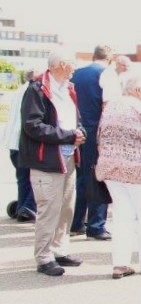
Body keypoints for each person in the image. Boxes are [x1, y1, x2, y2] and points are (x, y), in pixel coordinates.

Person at [95, 73, 141, 278]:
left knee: (121, 217)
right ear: (137, 90)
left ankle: (120, 264)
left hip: (112, 170)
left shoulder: (111, 106)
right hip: (140, 171)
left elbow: (100, 136)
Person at [20, 53, 86, 276]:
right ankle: (44, 257)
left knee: (66, 208)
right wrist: (68, 135)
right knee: (49, 209)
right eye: (72, 64)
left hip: (68, 157)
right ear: (61, 65)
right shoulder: (37, 89)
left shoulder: (68, 88)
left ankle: (59, 249)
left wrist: (80, 132)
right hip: (46, 160)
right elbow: (32, 125)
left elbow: (76, 119)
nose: (75, 68)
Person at [70, 44, 113, 240]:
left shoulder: (76, 74)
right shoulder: (107, 74)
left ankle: (76, 222)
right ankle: (96, 225)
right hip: (97, 132)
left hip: (77, 132)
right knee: (98, 177)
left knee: (81, 178)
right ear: (110, 58)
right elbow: (108, 107)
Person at [4, 70, 39, 222]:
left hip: (13, 141)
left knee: (23, 178)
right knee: (36, 177)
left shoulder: (20, 90)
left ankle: (22, 208)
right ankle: (28, 207)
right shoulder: (33, 90)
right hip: (24, 141)